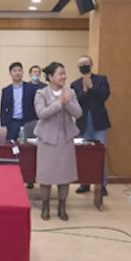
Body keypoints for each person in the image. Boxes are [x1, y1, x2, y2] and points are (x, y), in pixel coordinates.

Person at [34, 62, 82, 221]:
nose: (63, 76)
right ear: (50, 77)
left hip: (65, 139)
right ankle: (45, 206)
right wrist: (59, 102)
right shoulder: (41, 93)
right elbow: (42, 113)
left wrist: (67, 102)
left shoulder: (71, 93)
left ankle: (62, 206)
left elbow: (79, 113)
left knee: (64, 176)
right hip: (47, 139)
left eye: (64, 73)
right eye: (60, 73)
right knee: (46, 176)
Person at [71, 55, 110, 194]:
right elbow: (75, 102)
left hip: (98, 122)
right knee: (83, 153)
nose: (83, 66)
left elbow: (105, 96)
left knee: (100, 154)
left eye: (86, 63)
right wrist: (85, 90)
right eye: (80, 64)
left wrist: (92, 87)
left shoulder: (101, 79)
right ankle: (85, 183)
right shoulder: (75, 84)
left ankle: (102, 184)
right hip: (82, 123)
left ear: (91, 64)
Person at [0, 61, 38, 142]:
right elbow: (3, 110)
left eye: (19, 70)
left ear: (22, 72)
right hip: (12, 123)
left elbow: (36, 106)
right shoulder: (6, 90)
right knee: (12, 146)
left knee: (28, 146)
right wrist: (3, 126)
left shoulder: (31, 88)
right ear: (10, 73)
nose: (17, 73)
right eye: (14, 71)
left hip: (28, 122)